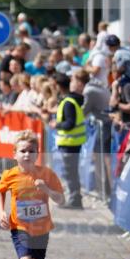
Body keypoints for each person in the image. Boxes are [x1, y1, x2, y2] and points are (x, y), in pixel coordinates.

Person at [0, 130, 64, 259]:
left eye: (31, 151)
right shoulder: (10, 175)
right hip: (20, 227)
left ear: (37, 153)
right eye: (23, 151)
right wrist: (1, 211)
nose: (27, 154)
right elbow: (0, 191)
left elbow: (61, 199)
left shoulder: (47, 174)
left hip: (41, 228)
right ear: (14, 154)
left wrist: (47, 190)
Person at [53, 70, 87, 209]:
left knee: (70, 172)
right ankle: (75, 198)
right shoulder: (70, 100)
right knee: (71, 172)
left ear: (58, 86)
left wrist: (56, 125)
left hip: (70, 143)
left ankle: (75, 200)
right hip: (71, 143)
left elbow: (69, 124)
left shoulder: (68, 102)